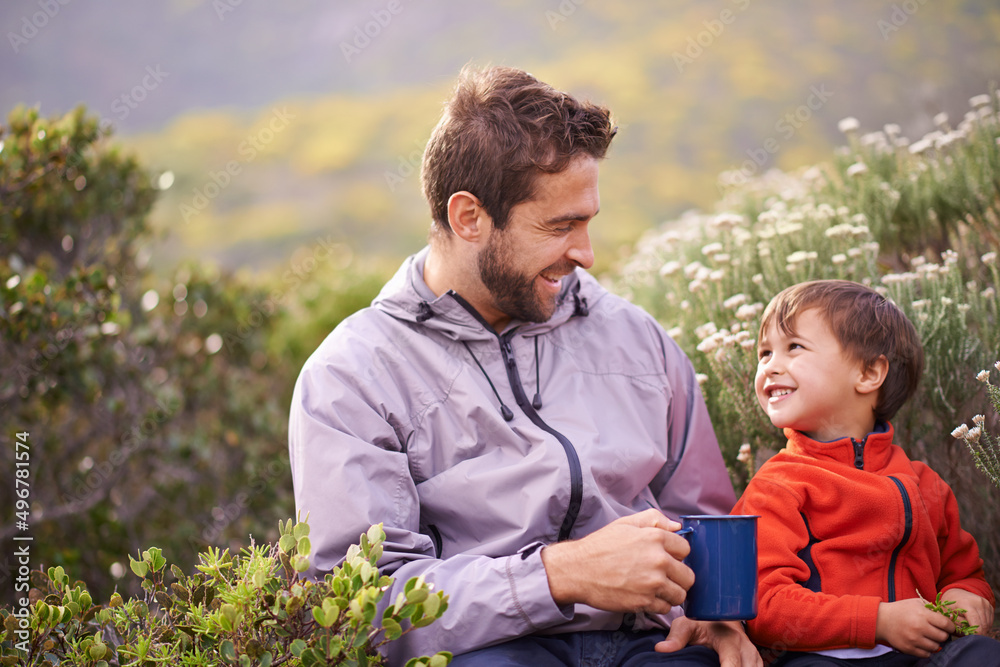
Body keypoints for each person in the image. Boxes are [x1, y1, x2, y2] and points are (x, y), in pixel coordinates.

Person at [289, 65, 760, 667]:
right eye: (560, 227)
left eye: (588, 223)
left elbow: (704, 516)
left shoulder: (635, 336)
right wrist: (557, 577)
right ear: (469, 218)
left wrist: (713, 613)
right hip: (486, 650)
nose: (586, 255)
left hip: (654, 644)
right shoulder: (352, 375)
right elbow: (362, 608)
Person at [732, 280, 998, 666]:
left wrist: (967, 596)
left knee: (983, 655)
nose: (771, 365)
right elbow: (765, 603)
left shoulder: (925, 484)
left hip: (922, 654)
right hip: (822, 656)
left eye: (794, 348)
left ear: (869, 373)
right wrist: (877, 621)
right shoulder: (777, 485)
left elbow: (964, 570)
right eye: (765, 352)